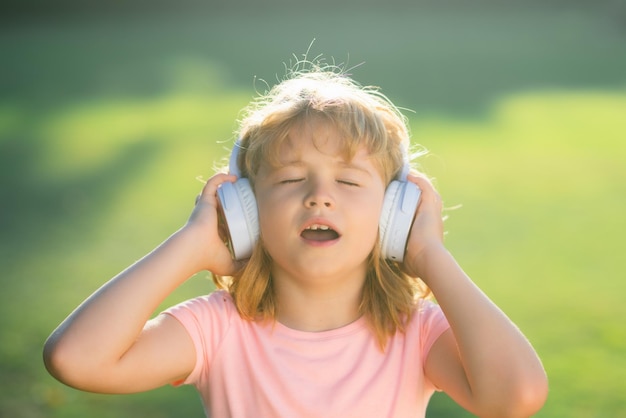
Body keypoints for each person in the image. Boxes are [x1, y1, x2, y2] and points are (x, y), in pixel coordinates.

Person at [43, 61, 548, 418]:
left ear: (395, 215)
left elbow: (515, 397)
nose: (319, 197)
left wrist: (429, 254)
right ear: (248, 213)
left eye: (349, 182)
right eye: (288, 180)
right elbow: (76, 360)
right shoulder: (217, 330)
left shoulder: (414, 333)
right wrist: (191, 246)